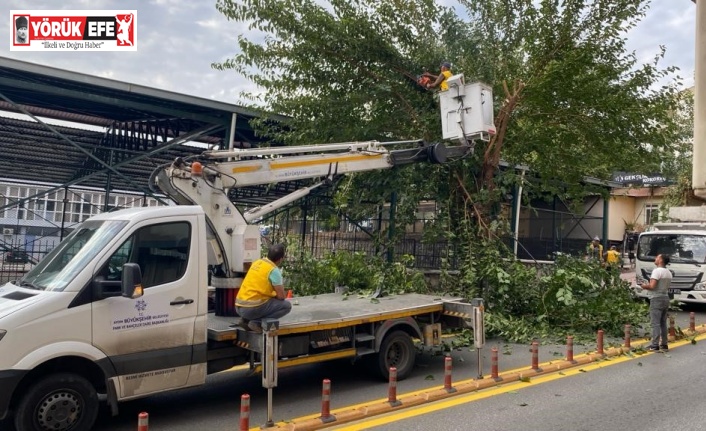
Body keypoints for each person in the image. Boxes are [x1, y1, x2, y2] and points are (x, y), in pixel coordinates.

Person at [235, 243, 292, 332]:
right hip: (251, 310)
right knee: (286, 306)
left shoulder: (257, 263)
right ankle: (256, 322)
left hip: (239, 307)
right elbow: (281, 296)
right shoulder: (273, 270)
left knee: (261, 300)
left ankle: (245, 320)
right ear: (280, 259)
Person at [639, 254, 672, 352]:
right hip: (665, 298)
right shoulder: (668, 272)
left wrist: (644, 286)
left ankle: (654, 345)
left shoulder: (657, 271)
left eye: (657, 257)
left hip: (656, 298)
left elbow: (652, 286)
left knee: (655, 323)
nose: (655, 259)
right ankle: (664, 344)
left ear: (661, 260)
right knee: (663, 323)